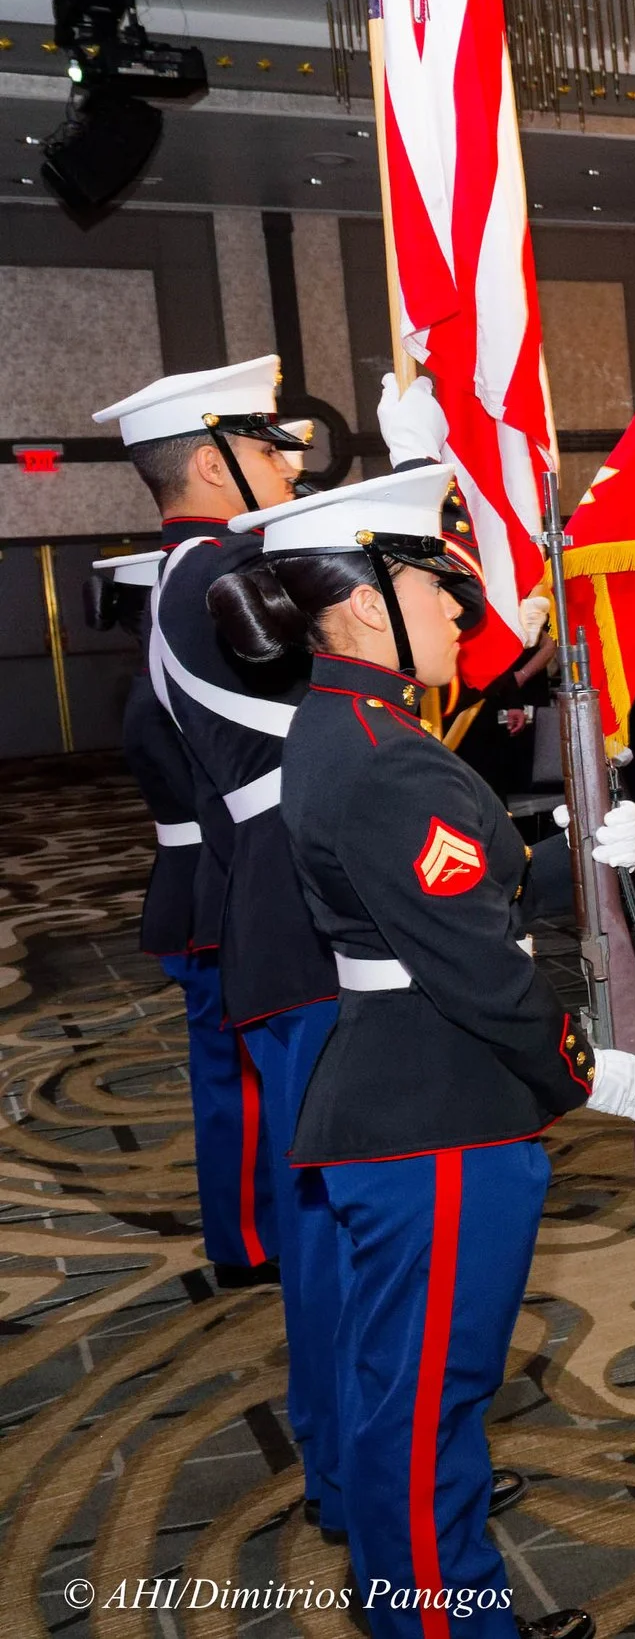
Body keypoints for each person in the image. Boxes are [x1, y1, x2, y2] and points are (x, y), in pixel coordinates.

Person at [211, 465, 635, 1639]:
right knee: (427, 1403)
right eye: (438, 587)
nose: (463, 611)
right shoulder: (381, 750)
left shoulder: (354, 722)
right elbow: (471, 961)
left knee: (404, 1387)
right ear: (368, 603)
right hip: (438, 1108)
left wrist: (567, 842)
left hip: (408, 1084)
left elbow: (441, 876)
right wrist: (585, 1069)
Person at [99, 356, 353, 1535]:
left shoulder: (192, 571)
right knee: (343, 1211)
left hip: (270, 892)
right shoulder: (223, 575)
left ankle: (353, 1458)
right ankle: (361, 1468)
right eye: (269, 448)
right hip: (305, 901)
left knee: (327, 1205)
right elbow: (342, 704)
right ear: (212, 461)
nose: (289, 466)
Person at [93, 546, 278, 1285]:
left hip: (195, 884)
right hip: (210, 890)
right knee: (237, 1085)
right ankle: (246, 1239)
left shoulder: (154, 689)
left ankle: (249, 1232)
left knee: (237, 1079)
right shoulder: (170, 697)